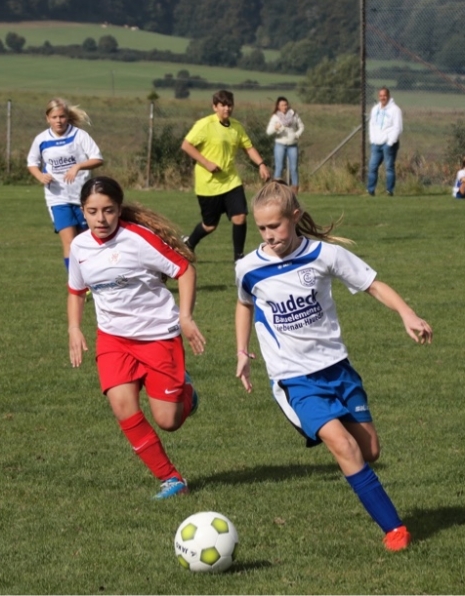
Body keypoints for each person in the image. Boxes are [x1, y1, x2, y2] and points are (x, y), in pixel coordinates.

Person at [235, 180, 433, 552]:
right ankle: (394, 529)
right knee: (343, 446)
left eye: (275, 226)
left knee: (369, 451)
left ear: (295, 217)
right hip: (294, 378)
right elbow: (244, 304)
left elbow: (373, 284)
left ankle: (354, 462)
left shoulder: (324, 255)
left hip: (337, 368)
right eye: (261, 228)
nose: (269, 235)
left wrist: (407, 313)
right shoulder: (249, 268)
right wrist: (242, 352)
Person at [67, 176, 206, 498]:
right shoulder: (79, 246)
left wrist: (185, 317)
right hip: (113, 340)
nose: (101, 219)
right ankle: (171, 479)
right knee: (122, 405)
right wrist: (74, 328)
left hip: (158, 336)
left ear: (119, 209)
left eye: (108, 210)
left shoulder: (138, 239)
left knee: (168, 421)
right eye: (92, 211)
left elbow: (184, 270)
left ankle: (186, 392)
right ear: (82, 211)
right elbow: (76, 290)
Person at [181, 90, 272, 261]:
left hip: (231, 181)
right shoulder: (205, 124)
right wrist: (206, 163)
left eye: (229, 105)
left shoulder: (236, 127)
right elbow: (186, 145)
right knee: (210, 225)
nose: (227, 109)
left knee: (240, 216)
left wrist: (261, 164)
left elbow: (248, 147)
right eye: (223, 105)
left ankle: (239, 258)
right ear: (214, 107)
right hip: (208, 184)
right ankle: (189, 243)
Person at [27, 98, 104, 271]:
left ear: (67, 117)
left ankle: (91, 278)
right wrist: (40, 176)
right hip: (57, 198)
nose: (58, 121)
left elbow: (97, 159)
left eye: (62, 116)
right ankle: (75, 283)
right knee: (69, 242)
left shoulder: (79, 136)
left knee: (86, 241)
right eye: (54, 117)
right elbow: (32, 163)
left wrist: (78, 166)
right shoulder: (41, 140)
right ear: (47, 118)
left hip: (82, 197)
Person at [366, 87, 403, 196]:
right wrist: (372, 139)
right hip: (376, 144)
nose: (383, 98)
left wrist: (390, 142)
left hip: (388, 144)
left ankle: (389, 191)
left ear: (388, 96)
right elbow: (371, 125)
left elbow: (398, 127)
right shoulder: (375, 109)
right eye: (381, 96)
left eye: (384, 95)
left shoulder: (395, 110)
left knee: (389, 167)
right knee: (372, 167)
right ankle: (370, 190)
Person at [266, 96, 305, 193]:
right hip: (280, 144)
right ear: (278, 106)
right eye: (282, 105)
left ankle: (295, 190)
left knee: (294, 168)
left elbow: (301, 126)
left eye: (286, 104)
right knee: (279, 167)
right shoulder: (275, 117)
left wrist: (297, 134)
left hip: (292, 145)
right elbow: (268, 132)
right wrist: (276, 128)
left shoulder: (294, 115)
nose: (285, 107)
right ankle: (276, 189)